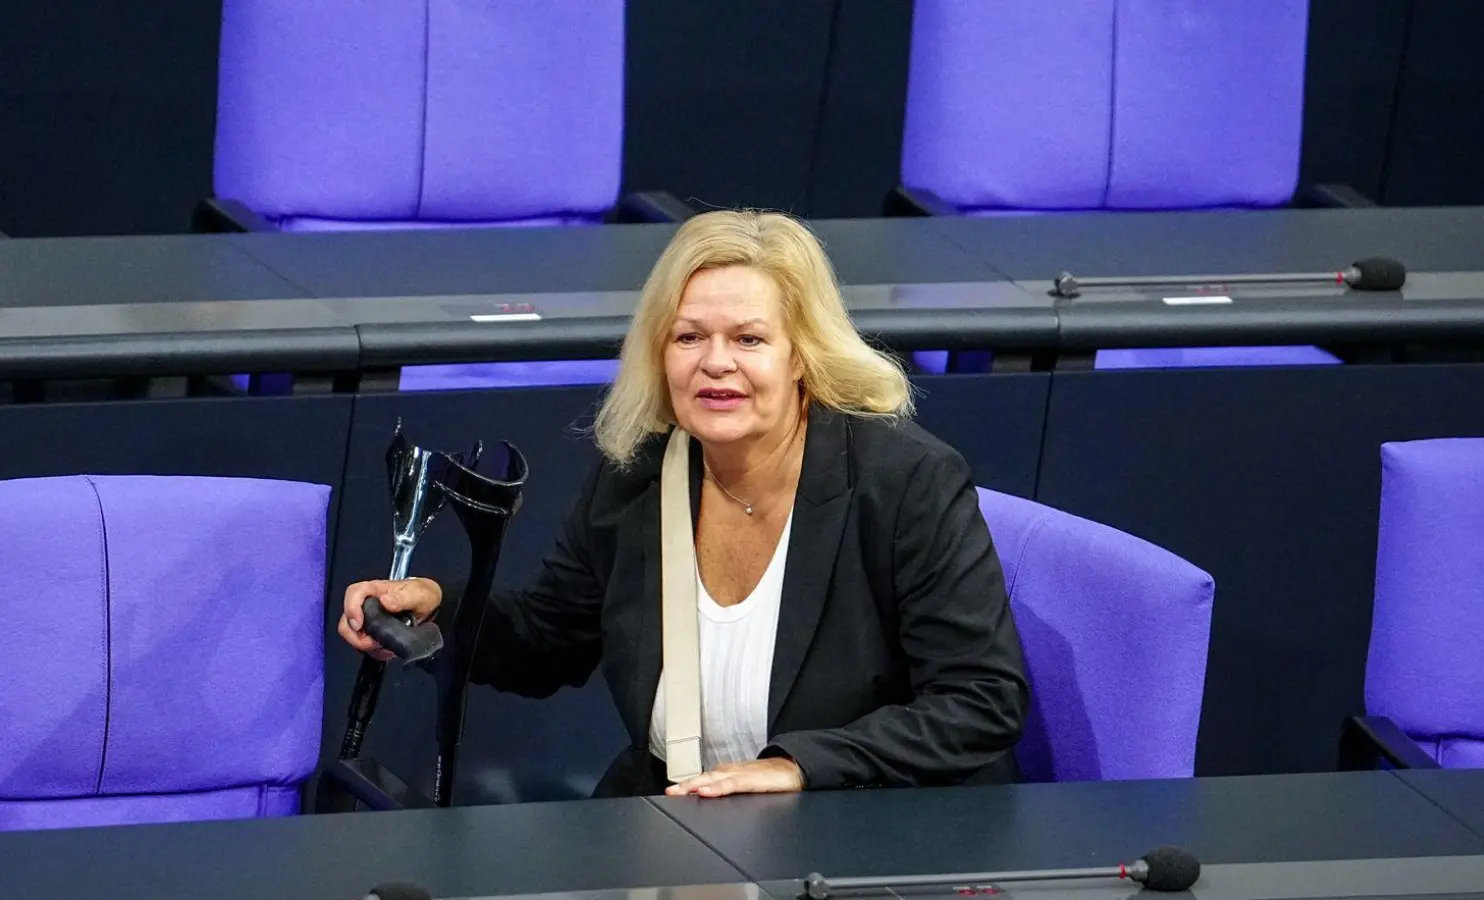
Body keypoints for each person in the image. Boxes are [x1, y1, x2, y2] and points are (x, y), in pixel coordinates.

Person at [339, 210, 1029, 798]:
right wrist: (439, 607)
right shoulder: (638, 473)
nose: (716, 362)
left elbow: (979, 700)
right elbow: (550, 638)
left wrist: (799, 769)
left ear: (801, 356)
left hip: (858, 823)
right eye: (689, 336)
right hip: (680, 816)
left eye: (749, 339)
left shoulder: (905, 481)